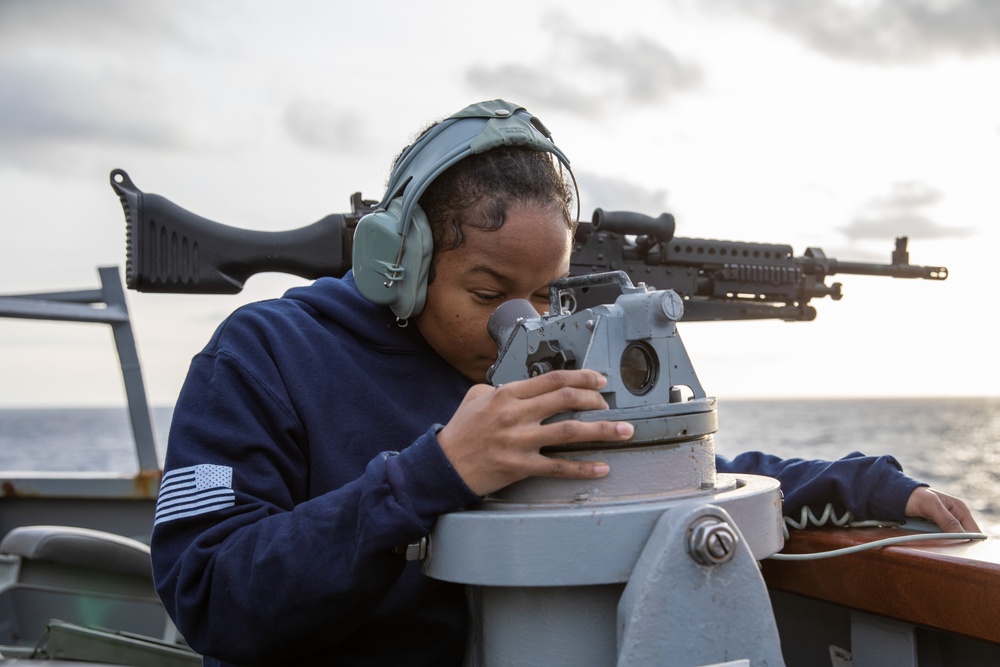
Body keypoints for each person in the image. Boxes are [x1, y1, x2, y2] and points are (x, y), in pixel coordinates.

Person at [150, 99, 978, 666]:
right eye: (486, 293)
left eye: (546, 292)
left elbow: (656, 469)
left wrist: (868, 485)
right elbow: (212, 593)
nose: (522, 321)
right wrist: (432, 474)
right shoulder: (264, 356)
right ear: (398, 263)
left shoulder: (550, 355)